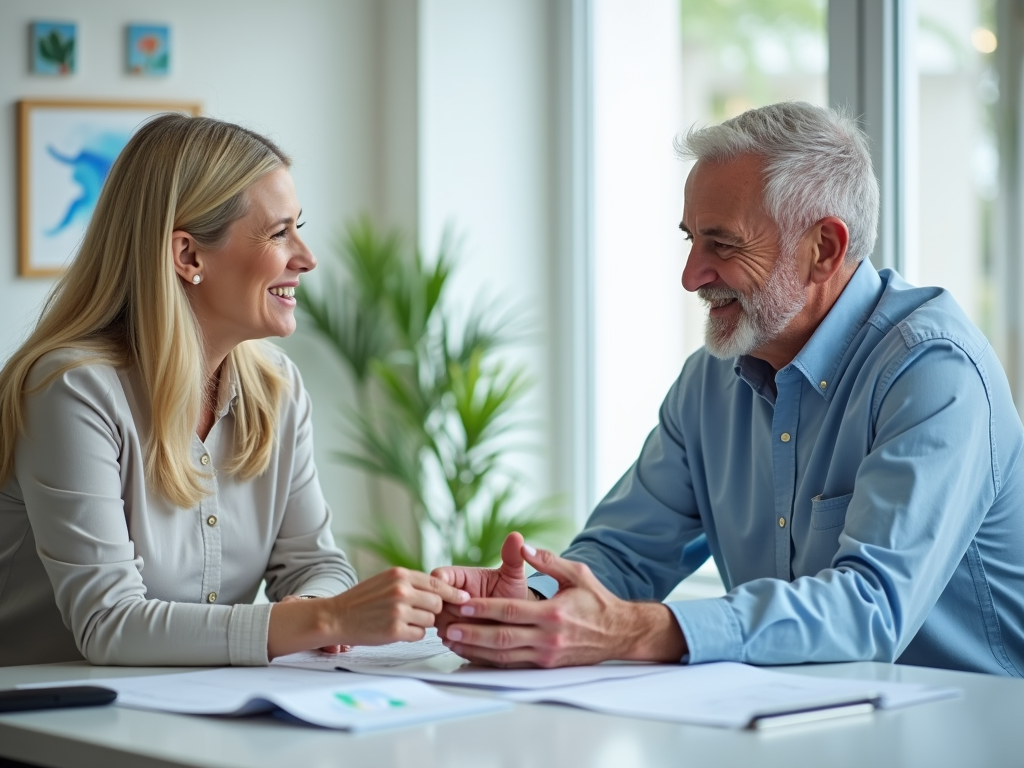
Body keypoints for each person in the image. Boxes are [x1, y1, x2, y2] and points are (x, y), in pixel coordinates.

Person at [432, 102, 1024, 677]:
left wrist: (639, 631)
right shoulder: (711, 379)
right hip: (797, 721)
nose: (690, 275)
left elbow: (869, 610)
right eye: (689, 239)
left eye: (723, 244)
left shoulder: (933, 372)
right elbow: (624, 555)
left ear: (825, 249)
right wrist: (526, 602)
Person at [0, 114, 467, 667]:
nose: (307, 257)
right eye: (279, 233)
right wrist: (323, 618)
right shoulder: (72, 391)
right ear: (188, 257)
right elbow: (109, 623)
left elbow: (316, 564)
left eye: (299, 226)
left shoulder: (277, 388)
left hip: (196, 716)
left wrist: (316, 606)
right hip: (49, 731)